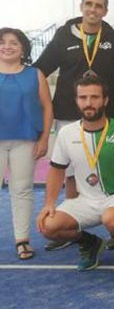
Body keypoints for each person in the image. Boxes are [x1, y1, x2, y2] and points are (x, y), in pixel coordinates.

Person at [34, 0, 114, 251]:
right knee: (71, 171)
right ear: (82, 6)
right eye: (89, 4)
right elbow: (41, 68)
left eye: (99, 5)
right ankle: (75, 227)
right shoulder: (64, 35)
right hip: (68, 112)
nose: (93, 9)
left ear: (105, 10)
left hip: (105, 114)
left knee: (110, 166)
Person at [36, 75, 114, 271]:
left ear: (105, 100)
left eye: (94, 97)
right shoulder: (67, 133)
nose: (88, 103)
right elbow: (57, 170)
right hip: (86, 200)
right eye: (83, 98)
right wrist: (49, 204)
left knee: (113, 219)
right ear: (76, 100)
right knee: (48, 225)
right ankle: (90, 242)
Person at [0, 28, 53, 260]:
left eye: (13, 42)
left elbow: (47, 107)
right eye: (2, 42)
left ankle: (22, 240)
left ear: (23, 48)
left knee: (21, 191)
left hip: (25, 140)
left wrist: (44, 138)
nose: (7, 46)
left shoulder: (35, 74)